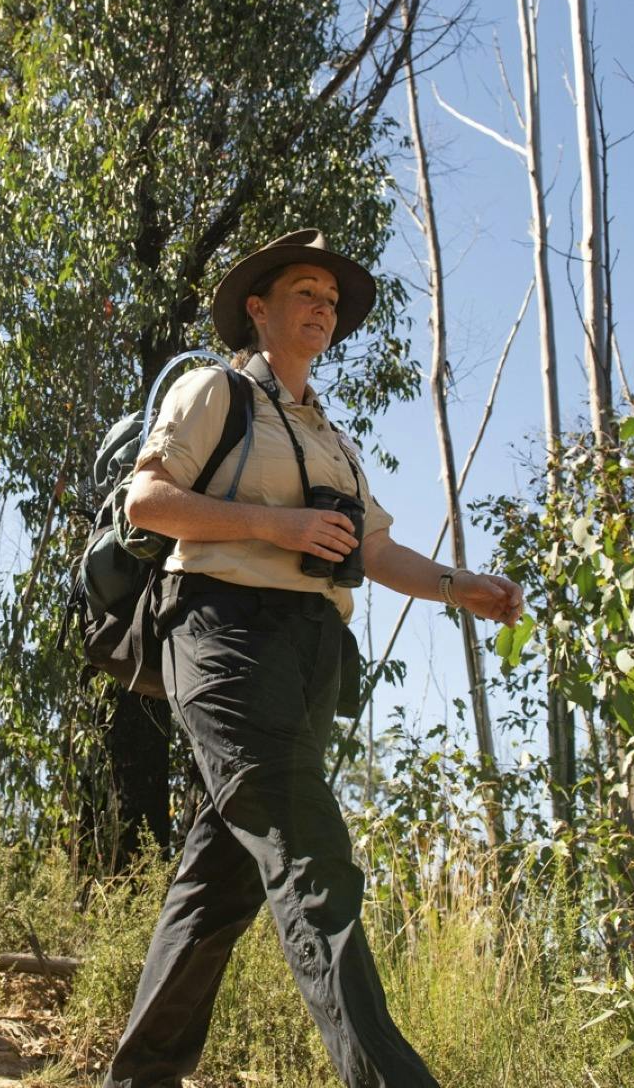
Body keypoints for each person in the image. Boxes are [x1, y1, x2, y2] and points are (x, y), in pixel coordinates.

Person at [103, 230, 525, 1088]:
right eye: (304, 290)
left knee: (218, 883)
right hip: (220, 633)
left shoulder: (332, 437)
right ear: (257, 309)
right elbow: (144, 501)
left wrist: (464, 587)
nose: (321, 307)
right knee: (311, 854)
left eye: (330, 300)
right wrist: (274, 525)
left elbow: (371, 550)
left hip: (311, 655)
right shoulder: (211, 390)